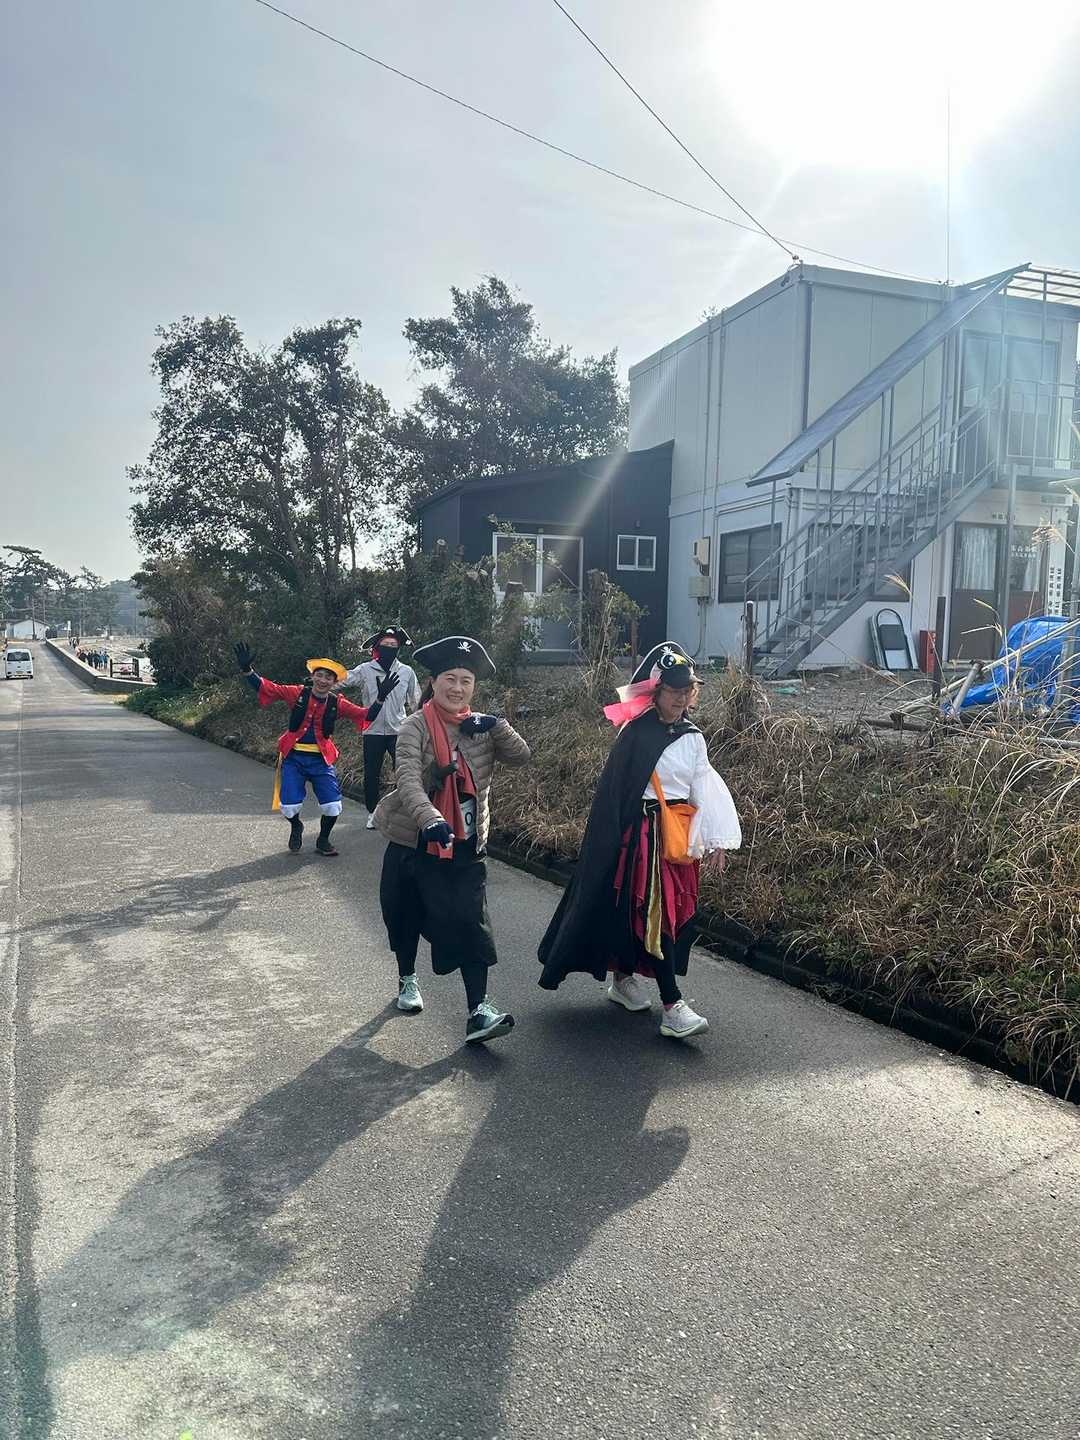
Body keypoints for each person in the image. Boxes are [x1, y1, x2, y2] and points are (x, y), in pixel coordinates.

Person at [538, 642, 741, 1039]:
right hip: (642, 840)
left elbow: (703, 785)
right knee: (654, 914)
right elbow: (614, 792)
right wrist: (607, 844)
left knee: (658, 915)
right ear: (656, 692)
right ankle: (672, 1005)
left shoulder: (693, 737)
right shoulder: (636, 734)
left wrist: (715, 838)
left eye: (687, 691)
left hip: (677, 837)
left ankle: (622, 978)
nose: (680, 698)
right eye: (673, 690)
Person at [374, 635, 530, 1044]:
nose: (457, 688)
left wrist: (497, 725)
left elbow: (522, 756)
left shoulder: (481, 728)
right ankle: (407, 978)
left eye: (466, 681)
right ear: (433, 681)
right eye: (450, 679)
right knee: (405, 915)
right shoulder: (414, 726)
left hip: (465, 844)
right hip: (416, 841)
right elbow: (407, 779)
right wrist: (429, 817)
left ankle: (479, 1011)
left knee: (471, 923)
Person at [234, 642, 393, 856]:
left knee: (333, 806)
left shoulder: (338, 703)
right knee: (289, 807)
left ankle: (323, 839)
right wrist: (247, 670)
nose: (323, 680)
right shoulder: (297, 693)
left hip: (321, 761)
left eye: (328, 677)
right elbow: (266, 688)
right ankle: (296, 826)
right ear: (313, 676)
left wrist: (381, 698)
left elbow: (365, 715)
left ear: (334, 682)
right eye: (319, 675)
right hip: (294, 759)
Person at [341, 626, 421, 830]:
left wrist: (422, 725)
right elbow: (343, 679)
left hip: (399, 731)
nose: (389, 648)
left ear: (399, 648)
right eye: (385, 644)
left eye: (393, 645)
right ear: (378, 647)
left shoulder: (406, 672)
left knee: (404, 773)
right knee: (372, 774)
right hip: (372, 730)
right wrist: (321, 680)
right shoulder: (365, 670)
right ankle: (373, 813)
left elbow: (416, 702)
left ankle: (403, 811)